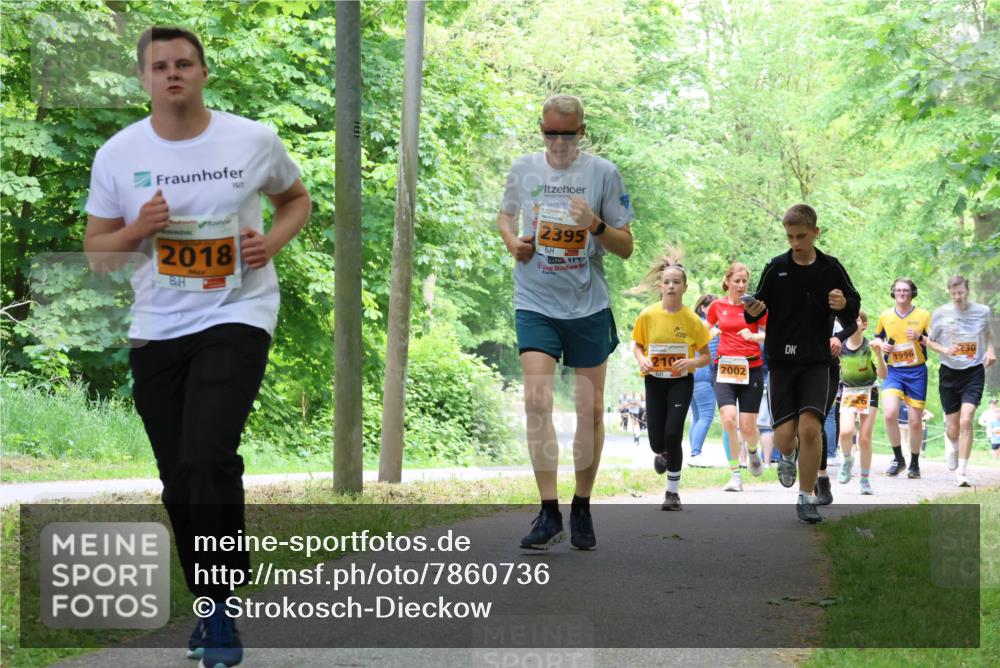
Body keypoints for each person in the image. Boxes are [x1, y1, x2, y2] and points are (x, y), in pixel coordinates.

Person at [83, 26, 312, 668]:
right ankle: (208, 600)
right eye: (160, 66)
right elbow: (98, 254)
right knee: (179, 475)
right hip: (157, 326)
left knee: (209, 455)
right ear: (144, 80)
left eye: (184, 63)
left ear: (204, 72)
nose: (173, 74)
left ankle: (217, 609)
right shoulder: (118, 154)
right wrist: (138, 227)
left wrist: (272, 242)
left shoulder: (252, 139)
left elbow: (296, 200)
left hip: (237, 312)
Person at [497, 94, 634, 550]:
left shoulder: (603, 173)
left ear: (582, 132)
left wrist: (595, 224)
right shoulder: (524, 168)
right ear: (542, 130)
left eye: (567, 134)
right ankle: (548, 510)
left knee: (590, 410)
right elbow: (505, 216)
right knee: (536, 400)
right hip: (535, 300)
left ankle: (582, 506)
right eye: (550, 133)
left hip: (586, 304)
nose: (558, 142)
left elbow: (626, 246)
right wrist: (512, 242)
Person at [744, 203, 860, 524]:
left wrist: (844, 303)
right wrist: (752, 311)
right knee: (784, 437)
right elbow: (754, 309)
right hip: (782, 362)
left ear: (815, 232)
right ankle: (788, 454)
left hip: (817, 361)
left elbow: (853, 307)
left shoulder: (831, 268)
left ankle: (806, 497)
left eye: (801, 236)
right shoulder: (776, 267)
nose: (795, 243)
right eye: (790, 237)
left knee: (810, 428)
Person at [630, 251, 711, 510]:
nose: (671, 286)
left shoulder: (692, 320)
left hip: (680, 381)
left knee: (673, 433)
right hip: (654, 381)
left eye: (676, 282)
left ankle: (672, 494)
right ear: (661, 286)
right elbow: (637, 345)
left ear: (685, 287)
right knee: (656, 441)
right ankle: (663, 452)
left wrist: (691, 363)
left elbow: (706, 356)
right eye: (667, 282)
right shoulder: (648, 315)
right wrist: (641, 359)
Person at [926, 275, 996, 486]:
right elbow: (929, 341)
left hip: (974, 371)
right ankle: (952, 444)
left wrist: (990, 350)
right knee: (953, 428)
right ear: (949, 292)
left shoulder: (982, 311)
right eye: (954, 293)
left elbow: (988, 335)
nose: (958, 296)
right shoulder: (941, 313)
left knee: (967, 420)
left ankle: (963, 473)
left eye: (961, 292)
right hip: (949, 372)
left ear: (968, 291)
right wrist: (945, 349)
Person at [705, 263, 767, 491]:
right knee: (728, 419)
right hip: (724, 368)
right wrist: (709, 333)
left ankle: (753, 451)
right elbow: (703, 331)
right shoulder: (717, 306)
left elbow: (772, 334)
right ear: (727, 281)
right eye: (736, 281)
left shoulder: (755, 307)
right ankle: (735, 475)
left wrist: (754, 336)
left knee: (748, 426)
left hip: (751, 369)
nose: (741, 285)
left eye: (744, 281)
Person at [874, 278, 931, 479]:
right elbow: (877, 337)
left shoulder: (924, 315)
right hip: (894, 371)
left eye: (905, 290)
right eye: (898, 290)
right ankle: (898, 459)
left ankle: (914, 463)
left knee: (915, 422)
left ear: (912, 292)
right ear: (893, 292)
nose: (901, 293)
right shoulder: (885, 315)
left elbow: (934, 341)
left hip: (916, 372)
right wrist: (881, 345)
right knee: (890, 414)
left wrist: (919, 337)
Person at [837, 310, 888, 495]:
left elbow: (883, 375)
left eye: (856, 320)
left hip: (869, 391)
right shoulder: (839, 346)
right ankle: (847, 459)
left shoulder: (870, 347)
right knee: (845, 432)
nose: (852, 323)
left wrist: (879, 355)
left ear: (864, 325)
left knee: (864, 438)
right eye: (848, 320)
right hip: (848, 391)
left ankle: (865, 480)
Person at [687, 293, 719, 467]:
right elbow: (712, 355)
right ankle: (696, 454)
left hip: (691, 374)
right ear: (702, 308)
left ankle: (694, 454)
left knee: (698, 417)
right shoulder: (709, 327)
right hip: (703, 375)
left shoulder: (694, 323)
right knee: (706, 416)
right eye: (712, 307)